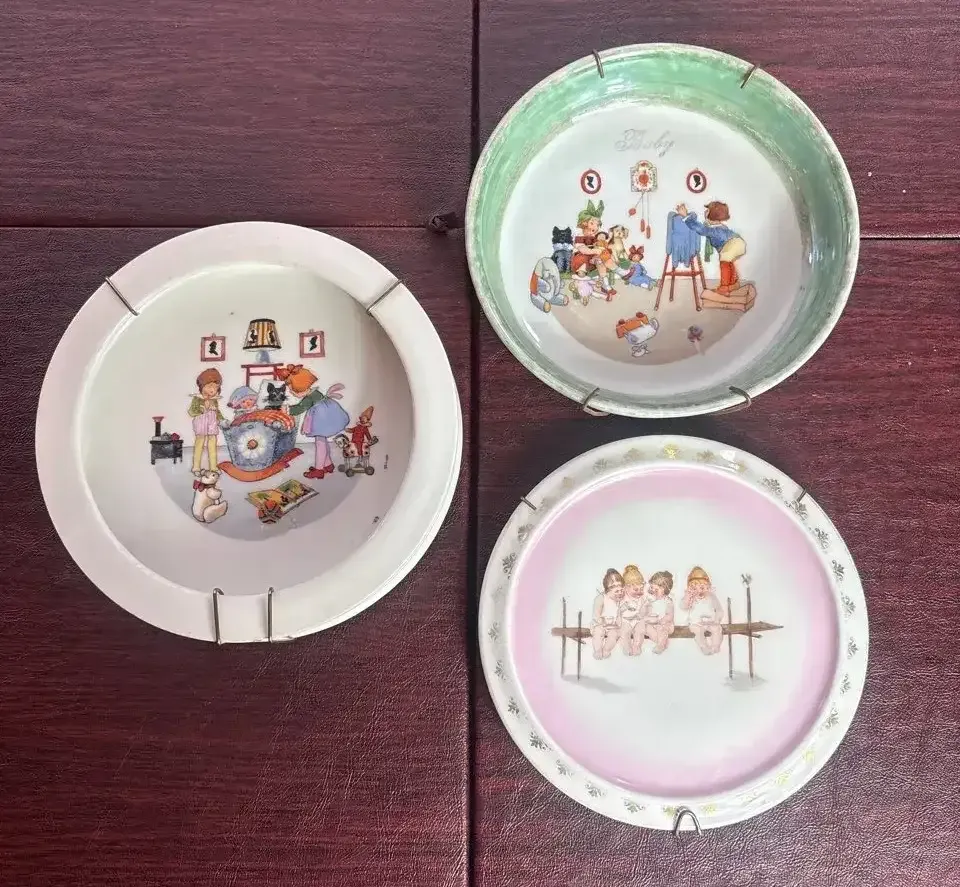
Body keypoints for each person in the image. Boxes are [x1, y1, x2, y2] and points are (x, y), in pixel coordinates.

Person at [280, 364, 350, 480]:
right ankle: (328, 465)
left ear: (301, 388)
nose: (291, 393)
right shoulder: (314, 393)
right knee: (322, 441)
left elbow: (299, 408)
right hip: (326, 417)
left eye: (293, 390)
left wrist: (287, 410)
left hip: (322, 420)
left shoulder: (309, 398)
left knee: (320, 443)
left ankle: (319, 470)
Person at [677, 201, 747, 295]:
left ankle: (724, 287)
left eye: (707, 210)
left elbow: (701, 229)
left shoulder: (715, 229)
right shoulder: (719, 226)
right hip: (738, 242)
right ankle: (733, 284)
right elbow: (706, 226)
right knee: (728, 262)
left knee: (724, 263)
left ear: (713, 214)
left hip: (732, 244)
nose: (705, 212)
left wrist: (686, 217)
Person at [680, 566, 724, 655]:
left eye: (703, 587)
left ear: (708, 587)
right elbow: (683, 606)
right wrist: (688, 596)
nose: (700, 591)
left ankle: (715, 647)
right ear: (691, 588)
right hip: (696, 623)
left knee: (717, 629)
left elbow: (719, 610)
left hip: (711, 622)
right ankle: (704, 648)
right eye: (695, 588)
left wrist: (717, 620)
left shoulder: (711, 596)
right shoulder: (691, 598)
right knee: (698, 632)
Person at [188, 368, 225, 473]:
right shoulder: (197, 398)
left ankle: (213, 467)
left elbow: (217, 412)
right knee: (199, 443)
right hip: (201, 423)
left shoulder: (214, 400)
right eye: (210, 386)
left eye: (216, 387)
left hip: (212, 424)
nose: (213, 390)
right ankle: (196, 467)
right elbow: (191, 412)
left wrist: (222, 420)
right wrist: (201, 409)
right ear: (202, 386)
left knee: (212, 444)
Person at [591, 568, 623, 660]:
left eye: (620, 586)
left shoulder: (618, 600)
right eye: (614, 586)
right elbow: (596, 615)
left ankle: (606, 650)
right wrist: (602, 622)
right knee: (598, 632)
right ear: (607, 588)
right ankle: (597, 650)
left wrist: (618, 624)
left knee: (614, 634)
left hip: (612, 626)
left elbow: (619, 614)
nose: (618, 590)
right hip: (599, 624)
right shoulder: (601, 598)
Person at [619, 565, 648, 655]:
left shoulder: (642, 598)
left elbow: (644, 608)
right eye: (635, 589)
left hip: (637, 619)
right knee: (625, 632)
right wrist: (625, 607)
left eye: (641, 589)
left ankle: (637, 646)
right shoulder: (622, 597)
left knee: (641, 630)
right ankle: (627, 647)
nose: (639, 592)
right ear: (626, 587)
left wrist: (641, 614)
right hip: (626, 620)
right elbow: (619, 610)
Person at [644, 571, 675, 654]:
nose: (653, 591)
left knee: (662, 629)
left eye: (656, 590)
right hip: (653, 624)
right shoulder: (651, 600)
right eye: (651, 588)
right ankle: (661, 642)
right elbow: (646, 613)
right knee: (646, 627)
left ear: (664, 590)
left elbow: (670, 616)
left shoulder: (668, 601)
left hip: (665, 625)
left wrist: (661, 621)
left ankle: (661, 644)